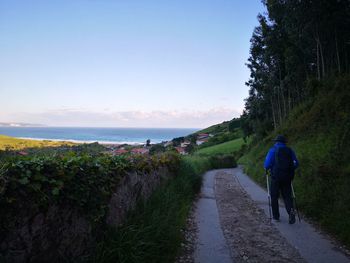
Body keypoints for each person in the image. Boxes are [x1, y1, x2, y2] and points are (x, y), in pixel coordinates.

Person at [264, 135, 299, 224]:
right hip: (287, 177)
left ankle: (276, 217)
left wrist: (268, 168)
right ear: (284, 142)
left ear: (276, 142)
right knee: (287, 196)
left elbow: (267, 165)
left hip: (276, 177)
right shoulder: (289, 150)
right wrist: (288, 170)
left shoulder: (272, 150)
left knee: (274, 196)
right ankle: (290, 211)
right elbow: (296, 163)